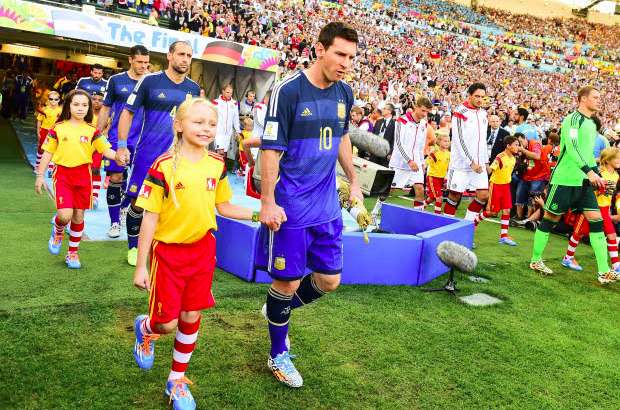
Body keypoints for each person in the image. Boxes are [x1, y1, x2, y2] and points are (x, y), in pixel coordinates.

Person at [131, 98, 255, 410]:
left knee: (191, 315)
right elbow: (150, 217)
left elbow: (224, 206)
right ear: (179, 125)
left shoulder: (217, 164)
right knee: (166, 324)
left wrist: (259, 214)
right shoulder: (162, 167)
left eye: (211, 124)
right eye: (198, 122)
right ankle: (146, 328)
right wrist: (141, 266)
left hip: (202, 251)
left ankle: (176, 379)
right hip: (168, 254)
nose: (206, 128)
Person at [257, 22, 360, 388]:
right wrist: (268, 201)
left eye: (351, 56)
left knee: (329, 281)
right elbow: (270, 149)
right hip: (292, 209)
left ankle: (275, 313)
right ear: (319, 49)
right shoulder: (288, 91)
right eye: (339, 54)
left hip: (327, 207)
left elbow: (343, 138)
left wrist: (354, 180)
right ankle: (278, 352)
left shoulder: (344, 93)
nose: (346, 63)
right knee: (286, 283)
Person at [116, 40, 200, 266]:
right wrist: (122, 145)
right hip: (148, 155)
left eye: (189, 56)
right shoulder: (149, 81)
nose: (185, 59)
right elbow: (127, 112)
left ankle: (160, 246)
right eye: (181, 54)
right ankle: (133, 247)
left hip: (178, 158)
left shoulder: (193, 88)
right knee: (138, 203)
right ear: (170, 55)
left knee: (170, 203)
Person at [529, 86, 617, 284]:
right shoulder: (572, 120)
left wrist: (598, 176)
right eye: (595, 97)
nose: (598, 100)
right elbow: (573, 149)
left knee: (596, 221)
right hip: (565, 179)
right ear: (583, 99)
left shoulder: (592, 125)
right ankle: (535, 260)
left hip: (585, 181)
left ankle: (603, 272)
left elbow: (586, 153)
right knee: (550, 218)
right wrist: (590, 172)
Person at [34, 89, 124, 269]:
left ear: (89, 107)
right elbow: (48, 153)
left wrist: (118, 156)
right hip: (63, 175)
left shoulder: (92, 131)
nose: (81, 108)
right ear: (68, 105)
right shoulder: (58, 128)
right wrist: (40, 175)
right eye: (76, 104)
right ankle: (58, 230)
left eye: (85, 105)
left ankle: (72, 252)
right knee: (64, 215)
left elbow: (105, 150)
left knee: (78, 215)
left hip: (84, 176)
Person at [97, 45, 150, 238]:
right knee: (116, 178)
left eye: (146, 62)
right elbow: (105, 107)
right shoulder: (116, 80)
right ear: (130, 60)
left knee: (138, 182)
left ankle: (124, 206)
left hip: (143, 141)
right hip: (116, 139)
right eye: (139, 62)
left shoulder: (151, 83)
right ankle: (114, 223)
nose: (143, 66)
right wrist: (98, 133)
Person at [562, 147, 620, 272]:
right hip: (591, 208)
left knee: (612, 234)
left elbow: (608, 196)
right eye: (617, 158)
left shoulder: (615, 175)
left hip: (604, 210)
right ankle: (567, 257)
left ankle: (616, 266)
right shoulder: (598, 173)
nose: (619, 160)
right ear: (608, 160)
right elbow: (588, 190)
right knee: (578, 233)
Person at [444, 83, 489, 220]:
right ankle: (445, 227)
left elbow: (483, 140)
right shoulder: (460, 113)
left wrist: (485, 161)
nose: (480, 99)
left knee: (483, 195)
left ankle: (467, 225)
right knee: (455, 195)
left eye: (482, 97)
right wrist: (471, 162)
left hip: (479, 164)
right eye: (477, 96)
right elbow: (458, 140)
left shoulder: (483, 113)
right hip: (461, 164)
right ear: (469, 96)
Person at [473, 136, 520, 246]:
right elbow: (490, 170)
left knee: (507, 210)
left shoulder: (513, 159)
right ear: (508, 146)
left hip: (506, 187)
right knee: (492, 212)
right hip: (496, 186)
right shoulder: (500, 157)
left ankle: (503, 236)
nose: (518, 147)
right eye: (516, 145)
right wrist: (484, 162)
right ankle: (473, 222)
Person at [389, 97, 433, 209]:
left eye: (427, 112)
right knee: (390, 190)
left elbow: (420, 145)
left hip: (416, 163)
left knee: (420, 189)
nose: (425, 114)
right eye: (423, 110)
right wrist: (409, 160)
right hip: (400, 163)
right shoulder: (402, 120)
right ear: (416, 107)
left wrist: (422, 162)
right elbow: (398, 143)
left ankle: (418, 216)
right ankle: (375, 211)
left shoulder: (424, 123)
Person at [35, 91, 61, 171]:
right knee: (41, 148)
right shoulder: (44, 110)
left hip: (56, 132)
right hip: (44, 130)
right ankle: (37, 166)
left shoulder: (61, 111)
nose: (53, 101)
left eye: (56, 99)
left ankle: (50, 168)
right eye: (51, 99)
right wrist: (38, 131)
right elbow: (39, 120)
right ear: (48, 100)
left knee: (54, 149)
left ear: (59, 100)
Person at [213, 83, 241, 157]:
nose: (229, 94)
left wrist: (238, 131)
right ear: (223, 91)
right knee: (220, 152)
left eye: (231, 93)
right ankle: (218, 168)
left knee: (224, 153)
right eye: (227, 92)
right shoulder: (216, 102)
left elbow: (236, 118)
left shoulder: (234, 103)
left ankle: (222, 168)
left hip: (228, 133)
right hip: (218, 132)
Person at [425, 134, 450, 214]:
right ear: (439, 142)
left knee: (432, 197)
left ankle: (421, 207)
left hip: (441, 178)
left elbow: (448, 167)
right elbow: (427, 162)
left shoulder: (449, 154)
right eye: (445, 141)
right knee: (439, 198)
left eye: (448, 141)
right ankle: (437, 216)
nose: (447, 143)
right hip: (433, 177)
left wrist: (446, 180)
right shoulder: (435, 152)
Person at [90, 92, 106, 209]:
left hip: (98, 146)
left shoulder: (106, 116)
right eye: (94, 99)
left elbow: (106, 131)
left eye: (100, 100)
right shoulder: (85, 114)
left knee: (95, 170)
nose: (96, 101)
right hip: (84, 145)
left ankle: (94, 196)